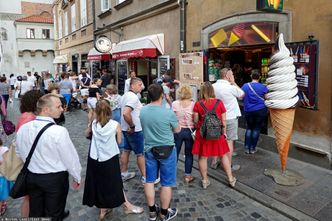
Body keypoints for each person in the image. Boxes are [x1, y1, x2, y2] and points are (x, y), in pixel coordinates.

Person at [16, 94, 81, 220]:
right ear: (46, 109)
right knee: (54, 214)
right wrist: (76, 176)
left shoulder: (23, 128)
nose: (62, 109)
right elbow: (70, 158)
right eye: (58, 106)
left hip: (32, 177)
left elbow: (19, 152)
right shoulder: (58, 131)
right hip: (54, 179)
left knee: (36, 212)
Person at [83, 100, 143, 220]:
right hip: (110, 158)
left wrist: (90, 123)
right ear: (109, 111)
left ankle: (103, 207)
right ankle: (126, 205)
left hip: (95, 157)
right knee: (116, 182)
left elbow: (87, 134)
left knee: (99, 182)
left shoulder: (94, 123)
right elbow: (119, 141)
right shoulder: (115, 125)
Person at [140, 83, 180, 221]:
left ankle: (152, 211)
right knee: (166, 183)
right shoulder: (168, 113)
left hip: (149, 148)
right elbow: (177, 130)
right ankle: (164, 213)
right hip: (167, 149)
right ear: (162, 95)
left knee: (149, 180)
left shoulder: (143, 111)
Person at [192, 82, 236, 189]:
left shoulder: (198, 104)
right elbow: (224, 121)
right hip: (218, 134)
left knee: (203, 157)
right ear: (212, 90)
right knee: (223, 155)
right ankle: (230, 179)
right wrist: (224, 133)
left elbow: (195, 121)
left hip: (203, 134)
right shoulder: (219, 103)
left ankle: (205, 181)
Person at [15, 90, 44, 217]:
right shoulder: (29, 118)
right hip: (29, 163)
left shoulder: (25, 115)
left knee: (30, 196)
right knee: (29, 197)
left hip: (28, 161)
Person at [212, 68, 244, 171]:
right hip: (230, 118)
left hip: (216, 117)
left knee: (217, 139)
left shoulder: (213, 86)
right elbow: (242, 95)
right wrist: (234, 82)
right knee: (229, 142)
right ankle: (228, 165)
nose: (233, 76)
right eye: (232, 74)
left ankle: (214, 162)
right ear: (227, 76)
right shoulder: (230, 87)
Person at [120, 77, 146, 182]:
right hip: (134, 130)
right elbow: (126, 113)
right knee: (140, 153)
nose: (141, 87)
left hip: (125, 128)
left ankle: (124, 172)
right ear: (132, 86)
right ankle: (145, 177)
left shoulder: (125, 95)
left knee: (126, 150)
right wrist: (132, 126)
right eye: (139, 85)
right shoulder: (133, 98)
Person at [172, 85, 195, 183]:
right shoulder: (194, 104)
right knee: (189, 154)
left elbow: (172, 118)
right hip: (190, 131)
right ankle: (187, 176)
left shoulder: (175, 104)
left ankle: (171, 173)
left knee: (175, 153)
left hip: (178, 130)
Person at [241, 70, 268, 154]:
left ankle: (246, 148)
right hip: (260, 110)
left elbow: (241, 97)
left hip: (248, 110)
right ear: (259, 77)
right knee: (256, 129)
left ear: (251, 76)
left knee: (249, 128)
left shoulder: (245, 86)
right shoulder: (263, 87)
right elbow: (267, 98)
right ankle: (252, 148)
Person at [0, 138, 14, 216]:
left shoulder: (4, 149)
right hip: (2, 175)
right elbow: (8, 162)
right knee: (1, 193)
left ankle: (3, 204)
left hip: (2, 175)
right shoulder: (4, 149)